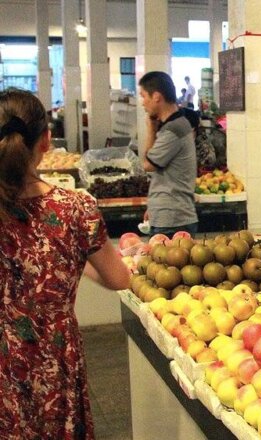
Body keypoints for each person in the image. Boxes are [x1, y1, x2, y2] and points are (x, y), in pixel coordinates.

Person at [0, 89, 130, 438]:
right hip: (53, 354)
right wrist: (73, 262)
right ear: (45, 141)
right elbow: (119, 279)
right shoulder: (74, 209)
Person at [139, 71, 199, 236]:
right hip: (169, 215)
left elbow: (148, 165)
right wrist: (154, 207)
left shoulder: (173, 129)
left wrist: (150, 129)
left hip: (173, 219)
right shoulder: (175, 125)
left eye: (144, 96)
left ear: (156, 97)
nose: (142, 103)